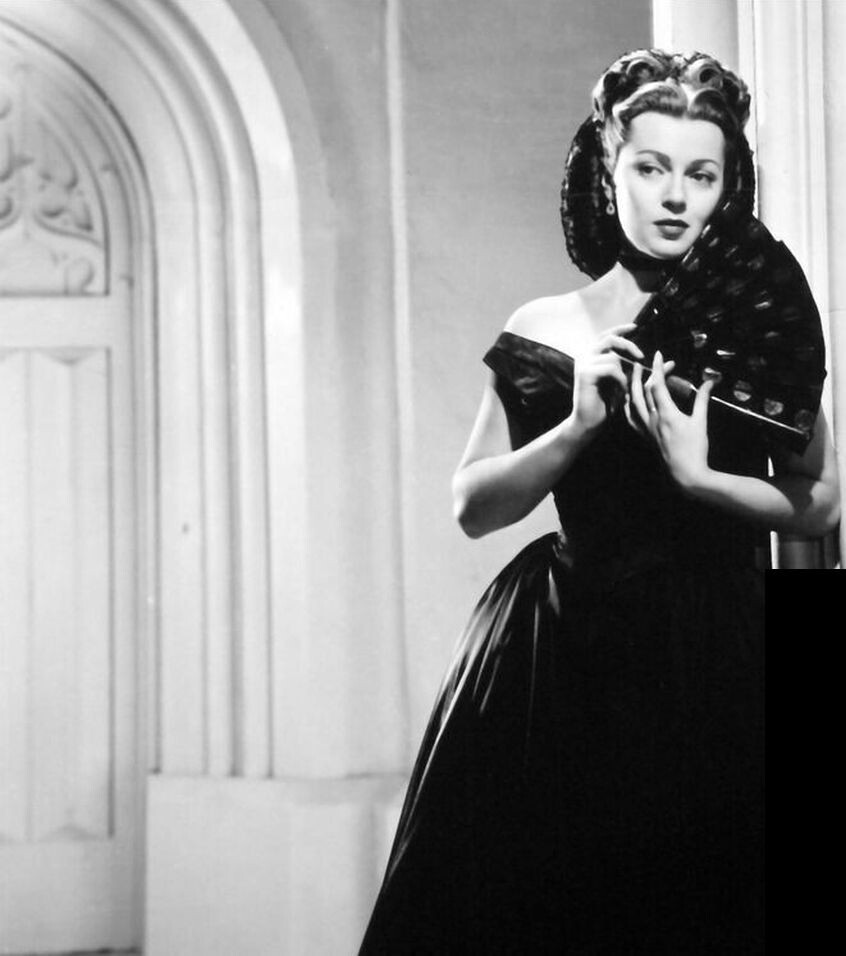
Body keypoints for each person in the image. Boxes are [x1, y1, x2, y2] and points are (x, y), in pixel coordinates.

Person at [359, 49, 840, 955]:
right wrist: (577, 427)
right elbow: (472, 504)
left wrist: (703, 479)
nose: (675, 197)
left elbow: (820, 501)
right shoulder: (546, 324)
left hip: (718, 640)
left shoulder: (760, 320)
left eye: (701, 175)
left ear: (728, 187)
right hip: (562, 648)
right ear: (608, 170)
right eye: (651, 168)